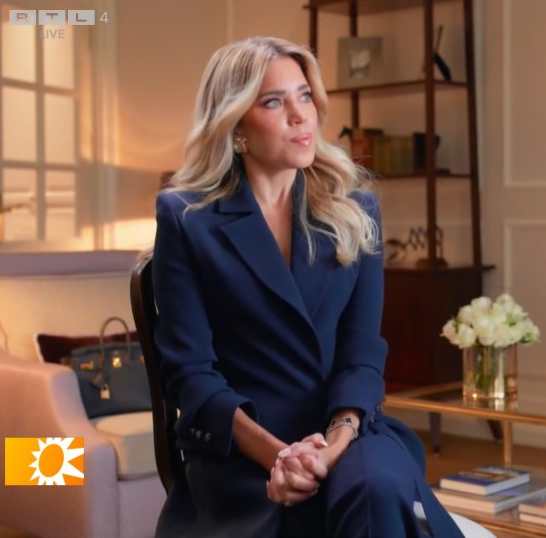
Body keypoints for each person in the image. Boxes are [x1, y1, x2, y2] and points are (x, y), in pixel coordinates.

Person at [150, 36, 465, 538]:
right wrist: (281, 458)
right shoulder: (187, 218)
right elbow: (191, 374)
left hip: (347, 429)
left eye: (304, 96)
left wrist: (332, 444)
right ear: (235, 126)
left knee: (376, 488)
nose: (301, 116)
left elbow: (362, 353)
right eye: (274, 102)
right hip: (245, 448)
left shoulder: (355, 210)